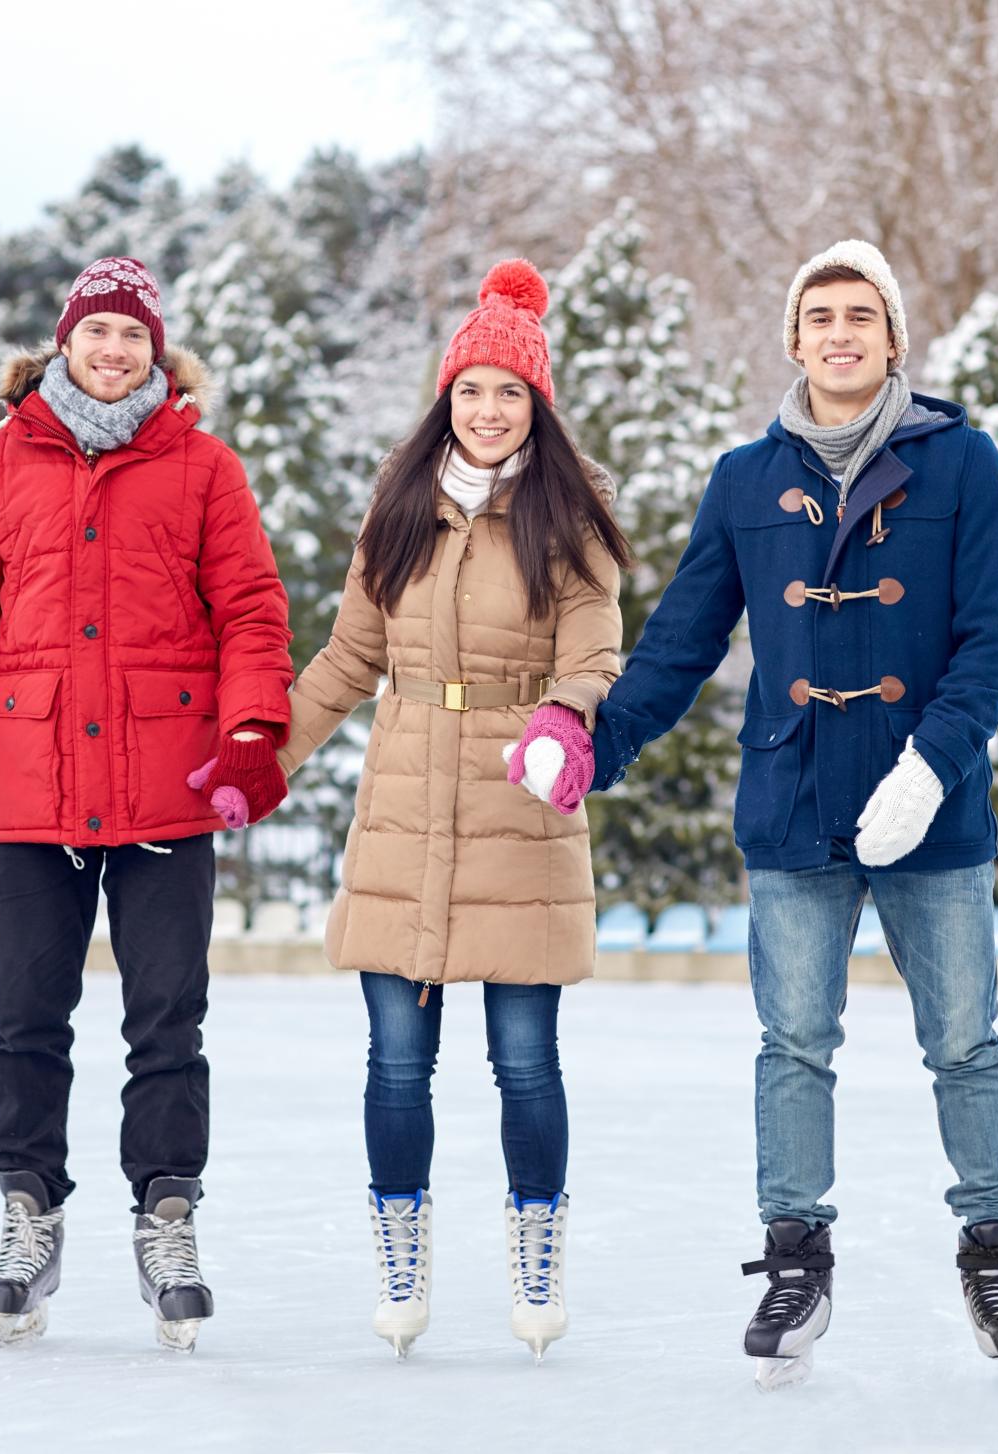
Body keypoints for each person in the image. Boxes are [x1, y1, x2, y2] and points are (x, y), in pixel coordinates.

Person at [586, 240, 998, 1387]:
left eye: (861, 316)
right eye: (818, 317)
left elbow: (994, 635)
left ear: (893, 339)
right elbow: (683, 636)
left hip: (927, 810)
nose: (839, 334)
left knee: (963, 1042)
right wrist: (598, 741)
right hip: (792, 802)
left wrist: (932, 767)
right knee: (793, 1041)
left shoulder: (963, 464)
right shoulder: (747, 478)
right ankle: (796, 1257)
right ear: (792, 340)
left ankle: (993, 1249)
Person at [0, 256, 293, 1351]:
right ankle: (29, 1212)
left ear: (160, 354)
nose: (114, 353)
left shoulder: (204, 469)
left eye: (134, 339)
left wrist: (253, 733)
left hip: (168, 786)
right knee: (26, 1020)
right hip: (33, 785)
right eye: (96, 334)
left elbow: (252, 610)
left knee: (166, 1021)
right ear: (63, 344)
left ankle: (167, 1215)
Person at [276, 259, 628, 1361]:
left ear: (537, 406)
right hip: (406, 798)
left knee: (524, 1057)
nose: (486, 410)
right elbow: (348, 655)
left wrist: (565, 718)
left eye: (508, 393)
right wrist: (262, 754)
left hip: (519, 796)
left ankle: (535, 1245)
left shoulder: (568, 515)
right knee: (394, 1058)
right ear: (446, 398)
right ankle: (402, 1248)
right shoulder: (398, 507)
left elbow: (594, 647)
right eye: (471, 390)